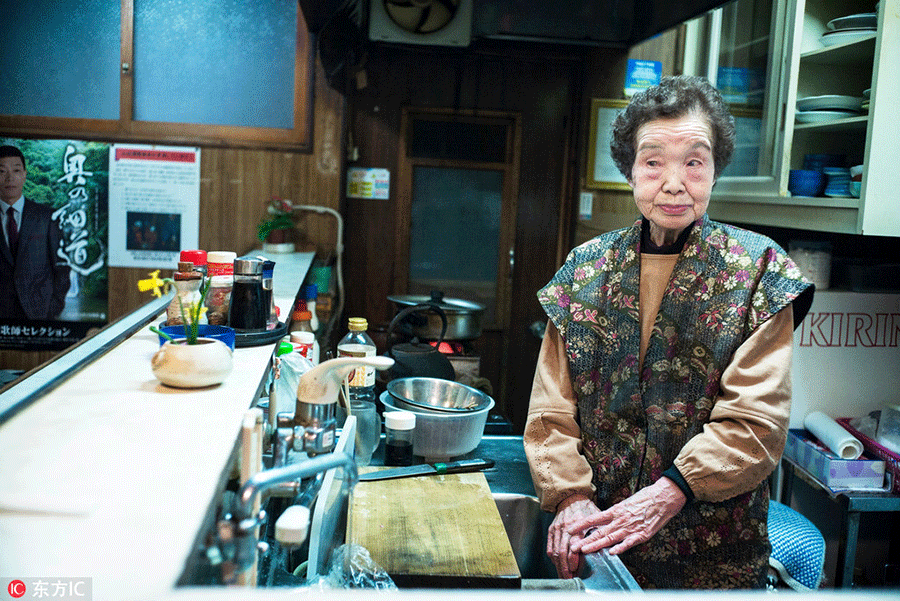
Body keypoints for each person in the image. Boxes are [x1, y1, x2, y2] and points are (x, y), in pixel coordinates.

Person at [524, 75, 814, 589]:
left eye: (694, 162)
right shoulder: (585, 270)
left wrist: (669, 493)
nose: (674, 182)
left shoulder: (758, 272)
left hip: (712, 563)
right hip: (597, 546)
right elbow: (550, 412)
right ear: (630, 171)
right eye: (653, 161)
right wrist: (570, 498)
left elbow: (754, 425)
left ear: (715, 171)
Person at [0, 145, 70, 320]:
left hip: (39, 316)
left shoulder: (47, 217)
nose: (10, 178)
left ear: (24, 174)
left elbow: (62, 268)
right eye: (2, 171)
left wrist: (52, 308)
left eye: (16, 170)